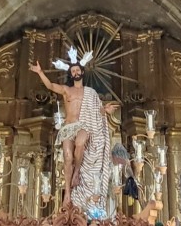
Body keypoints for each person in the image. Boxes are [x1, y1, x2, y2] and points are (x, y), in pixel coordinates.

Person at [30, 58, 117, 213]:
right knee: (68, 157)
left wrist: (105, 110)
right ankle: (68, 194)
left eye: (77, 70)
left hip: (83, 125)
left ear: (82, 72)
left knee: (80, 143)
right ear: (71, 74)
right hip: (69, 127)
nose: (75, 73)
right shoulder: (66, 90)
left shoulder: (90, 93)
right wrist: (40, 72)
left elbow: (96, 111)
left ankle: (77, 173)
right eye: (73, 71)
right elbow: (50, 86)